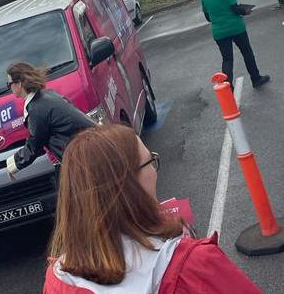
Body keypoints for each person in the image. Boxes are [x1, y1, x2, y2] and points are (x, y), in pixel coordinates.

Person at [43, 124, 263, 294]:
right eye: (151, 162)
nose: (155, 171)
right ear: (129, 185)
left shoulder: (57, 280)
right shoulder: (193, 266)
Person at [5, 62, 95, 179]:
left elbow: (35, 145)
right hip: (90, 147)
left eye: (9, 84)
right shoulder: (48, 95)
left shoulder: (36, 109)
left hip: (83, 157)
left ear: (19, 84)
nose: (9, 88)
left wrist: (12, 165)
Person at [201, 0, 270, 89]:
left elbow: (207, 17)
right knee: (247, 53)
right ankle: (256, 78)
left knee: (227, 59)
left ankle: (227, 87)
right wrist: (245, 11)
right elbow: (234, 9)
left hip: (219, 31)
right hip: (236, 27)